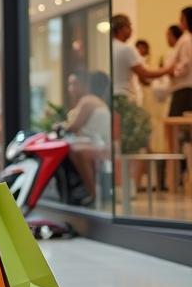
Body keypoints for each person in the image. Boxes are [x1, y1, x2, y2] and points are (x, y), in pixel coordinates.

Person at [60, 70, 111, 200]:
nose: (71, 89)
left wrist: (59, 126)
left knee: (74, 150)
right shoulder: (96, 101)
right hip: (99, 144)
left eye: (74, 84)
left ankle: (92, 193)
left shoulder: (88, 100)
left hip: (101, 146)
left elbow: (74, 126)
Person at [111, 14, 166, 102]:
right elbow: (144, 73)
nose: (131, 29)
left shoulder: (111, 46)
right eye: (129, 26)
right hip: (123, 95)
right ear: (121, 29)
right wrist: (168, 69)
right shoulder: (125, 49)